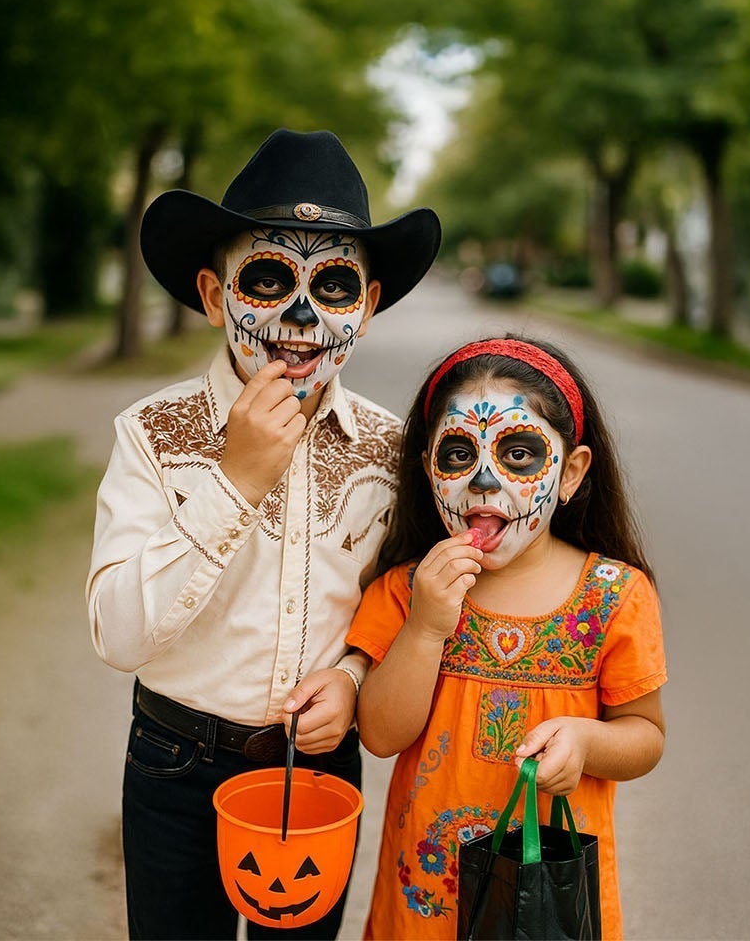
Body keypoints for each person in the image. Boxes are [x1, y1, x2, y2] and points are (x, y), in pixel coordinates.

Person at [88, 128, 441, 939]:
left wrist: (352, 674)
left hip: (316, 768)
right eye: (270, 278)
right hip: (176, 763)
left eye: (335, 287)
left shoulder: (390, 451)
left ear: (368, 306)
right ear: (216, 297)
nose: (301, 315)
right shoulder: (153, 434)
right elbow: (118, 634)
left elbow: (393, 604)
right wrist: (235, 481)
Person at [348, 336, 667, 939]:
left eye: (519, 453)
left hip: (548, 904)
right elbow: (382, 736)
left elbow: (645, 737)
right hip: (425, 904)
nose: (484, 480)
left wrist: (586, 741)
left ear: (571, 473)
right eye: (458, 454)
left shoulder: (614, 596)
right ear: (428, 469)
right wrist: (426, 626)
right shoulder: (407, 590)